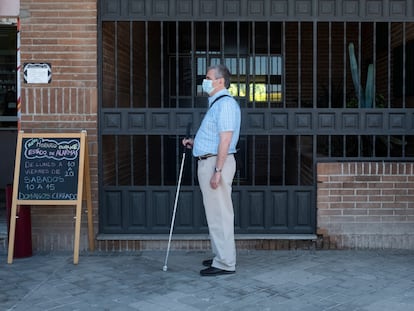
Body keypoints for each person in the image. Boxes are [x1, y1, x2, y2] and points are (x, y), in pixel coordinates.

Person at [182, 64, 241, 276]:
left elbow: (225, 140)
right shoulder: (217, 104)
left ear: (220, 81)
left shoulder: (224, 104)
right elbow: (216, 136)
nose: (205, 81)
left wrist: (217, 171)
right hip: (211, 161)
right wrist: (195, 142)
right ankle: (221, 256)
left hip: (216, 164)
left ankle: (225, 262)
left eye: (208, 77)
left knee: (220, 214)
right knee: (215, 213)